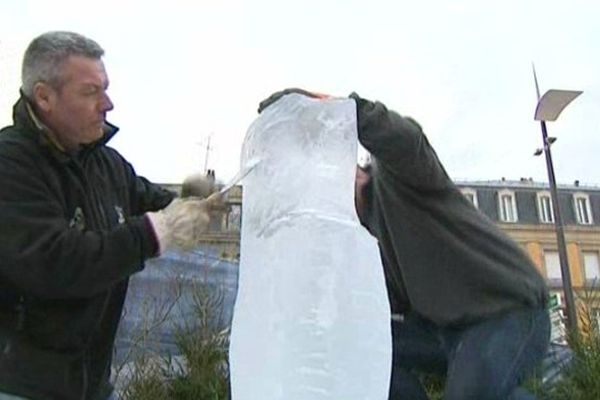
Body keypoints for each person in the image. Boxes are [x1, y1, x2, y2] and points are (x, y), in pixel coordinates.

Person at [259, 89, 550, 399]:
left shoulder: (399, 176)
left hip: (507, 310)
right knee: (358, 350)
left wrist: (337, 110)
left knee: (469, 394)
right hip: (444, 332)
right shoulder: (360, 240)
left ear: (356, 169)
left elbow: (405, 139)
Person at [0, 31, 220, 400]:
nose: (108, 104)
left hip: (92, 387)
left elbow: (153, 203)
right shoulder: (12, 165)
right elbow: (58, 263)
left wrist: (195, 199)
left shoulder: (107, 166)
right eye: (90, 92)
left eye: (106, 88)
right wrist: (158, 231)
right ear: (44, 97)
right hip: (21, 386)